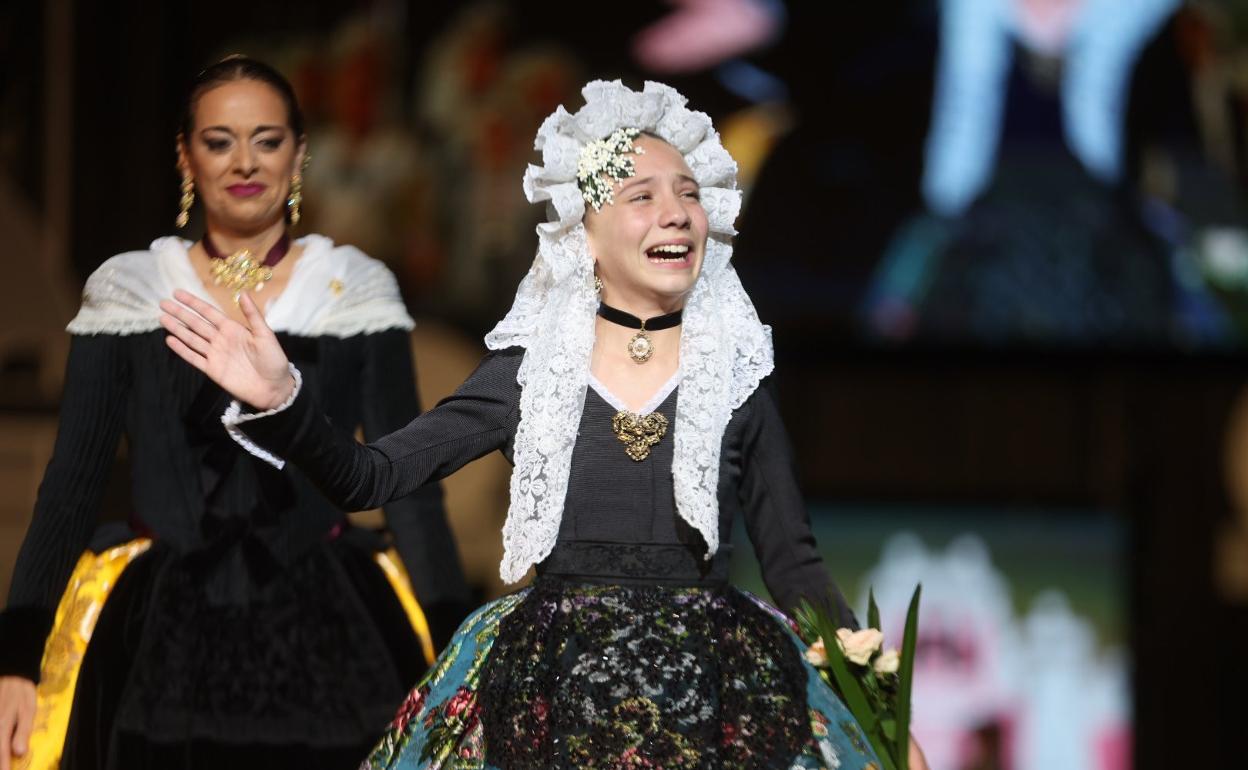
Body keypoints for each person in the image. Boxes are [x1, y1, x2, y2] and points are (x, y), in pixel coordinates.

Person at [161, 80, 928, 769]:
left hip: (712, 696)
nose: (675, 211)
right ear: (584, 235)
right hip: (552, 692)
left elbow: (796, 569)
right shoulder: (532, 372)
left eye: (688, 193)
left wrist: (884, 721)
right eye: (641, 194)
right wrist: (282, 400)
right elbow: (371, 478)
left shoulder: (738, 381)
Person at [0, 56, 469, 770]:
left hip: (335, 629)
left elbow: (412, 496)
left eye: (268, 139)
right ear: (185, 155)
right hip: (155, 631)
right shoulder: (130, 291)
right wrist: (17, 658)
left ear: (299, 154)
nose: (245, 161)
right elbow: (69, 487)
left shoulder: (355, 290)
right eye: (220, 140)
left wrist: (461, 663)